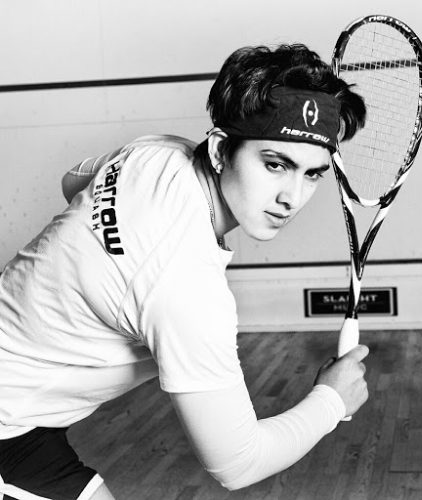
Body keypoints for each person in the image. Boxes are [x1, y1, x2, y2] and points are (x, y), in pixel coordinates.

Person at [0, 44, 368, 500]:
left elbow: (73, 181)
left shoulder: (153, 152)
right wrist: (332, 399)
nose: (292, 196)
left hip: (26, 416)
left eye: (313, 174)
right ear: (219, 151)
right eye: (276, 164)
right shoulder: (186, 288)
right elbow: (238, 463)